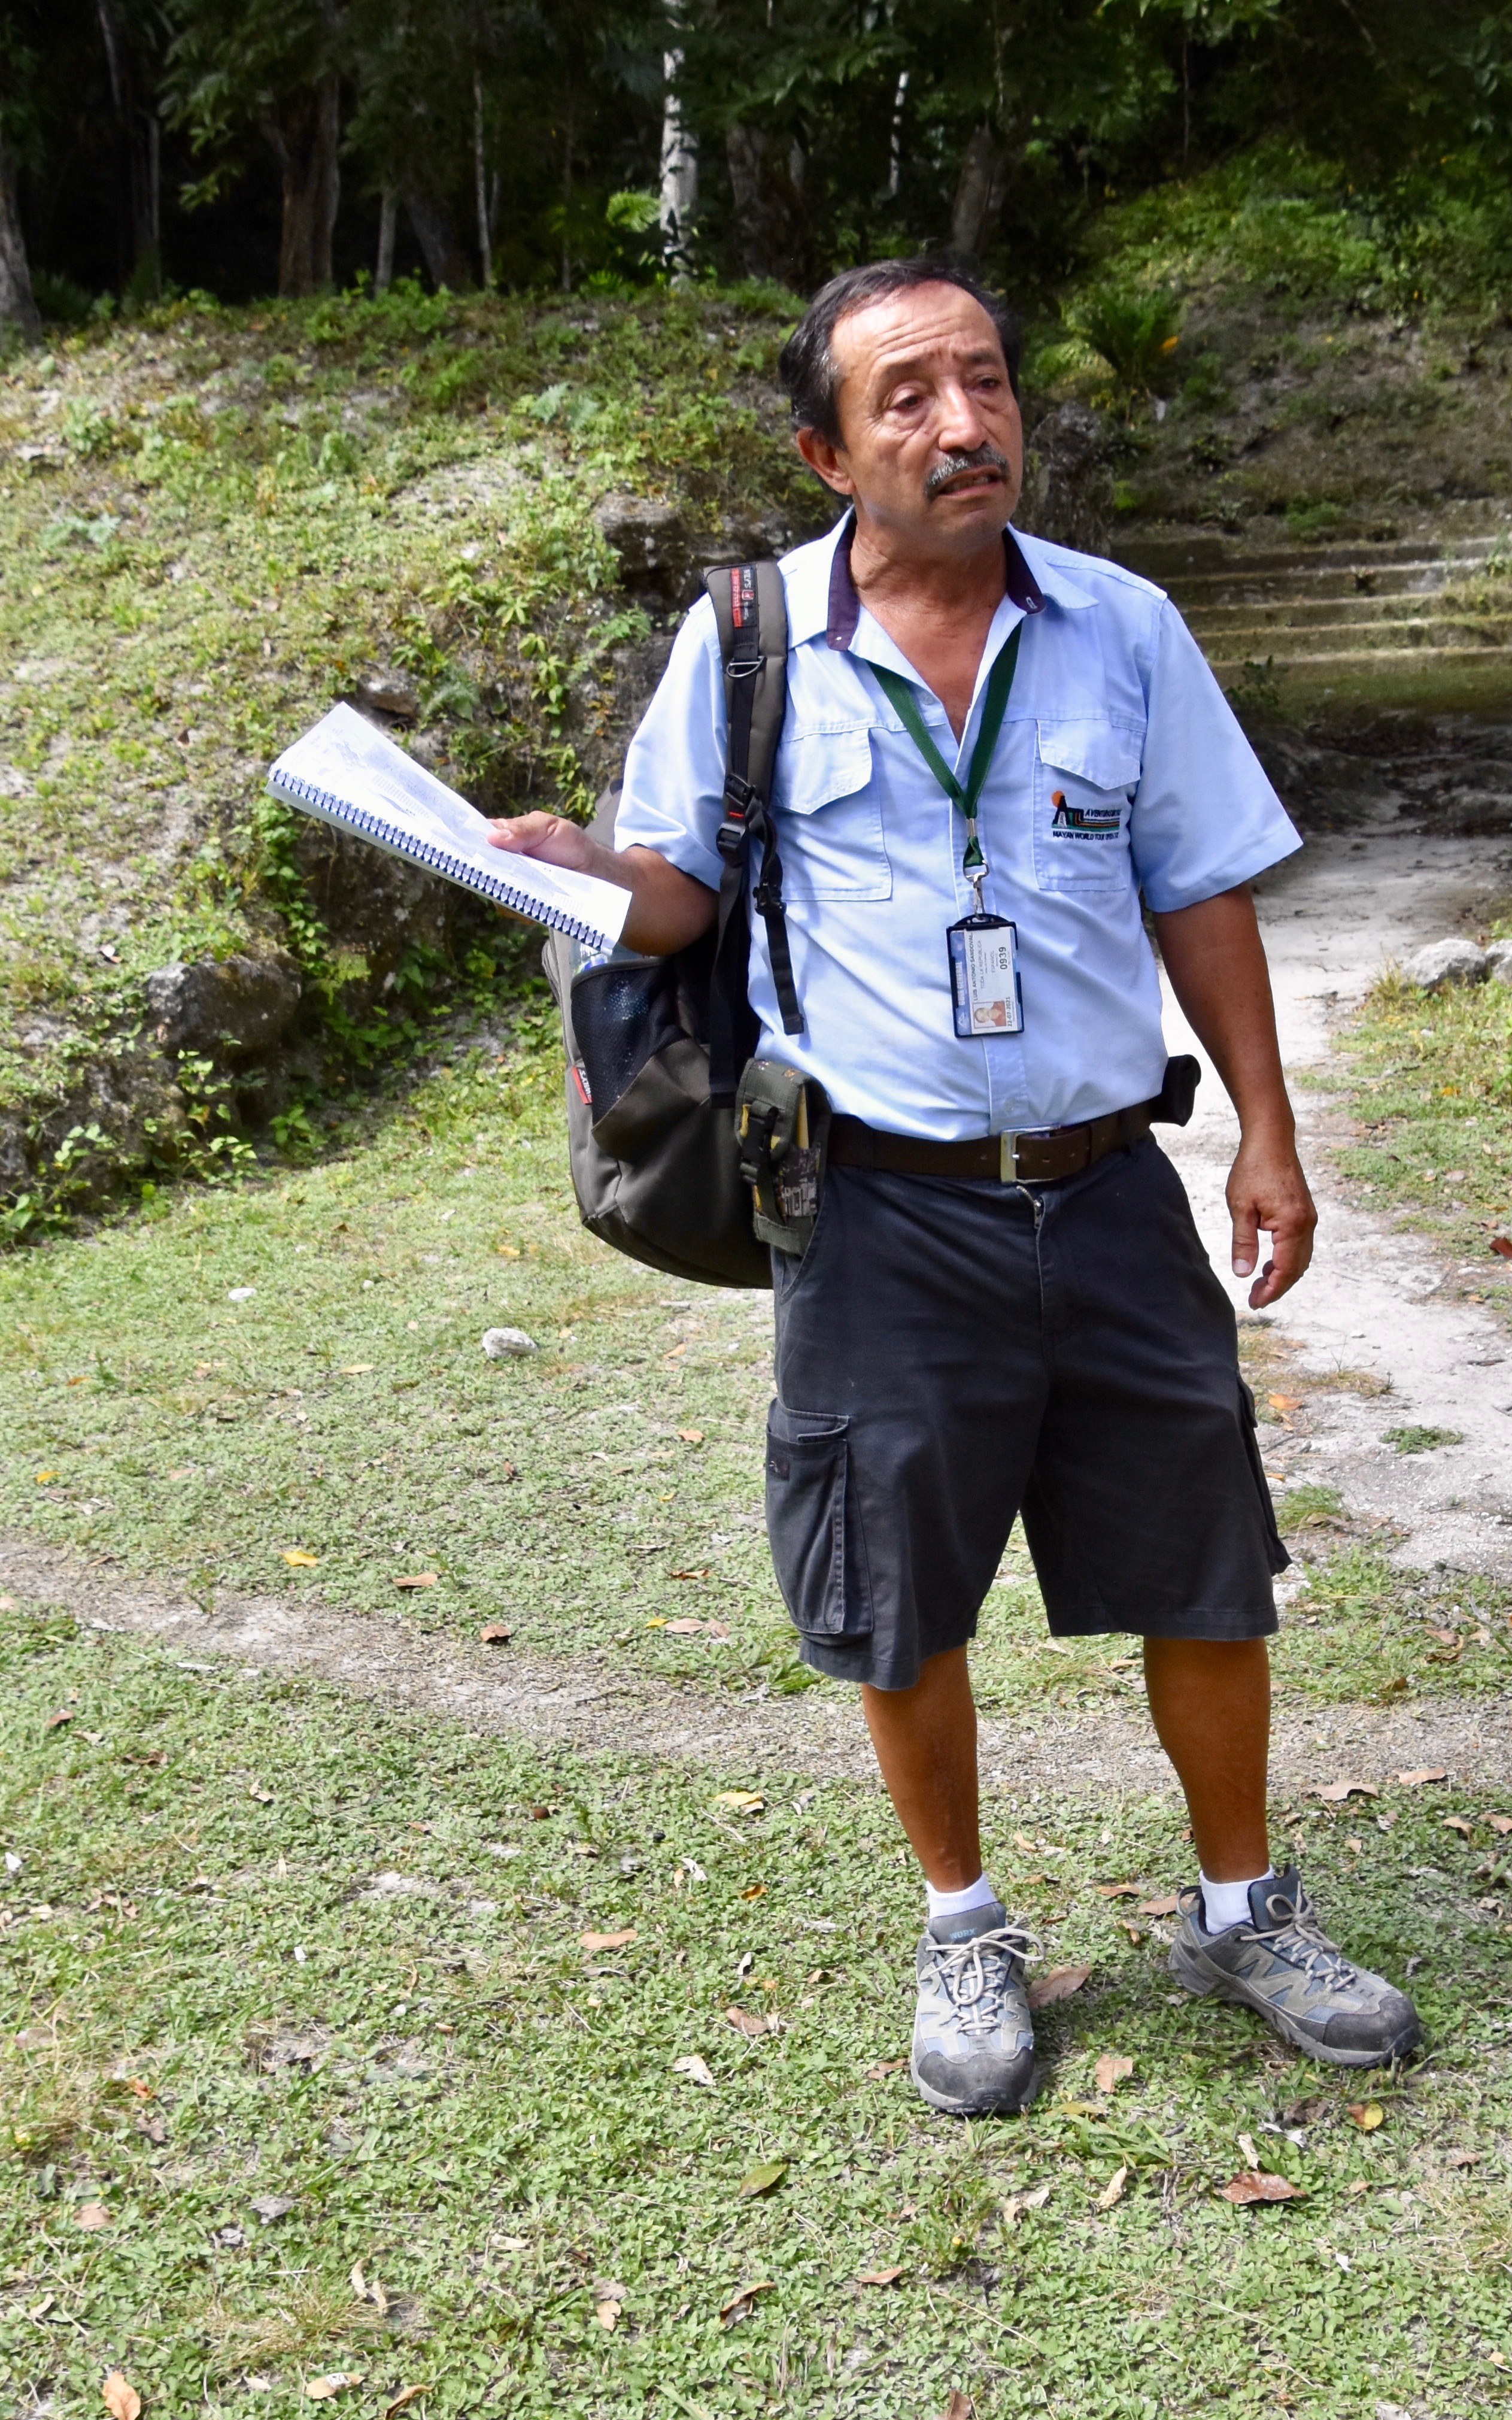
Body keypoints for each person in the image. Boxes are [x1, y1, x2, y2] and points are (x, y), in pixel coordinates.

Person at [489, 258, 1421, 2113]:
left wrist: (1270, 1125)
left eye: (983, 382)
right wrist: (582, 860)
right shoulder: (747, 640)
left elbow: (1201, 884)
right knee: (895, 1585)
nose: (962, 423)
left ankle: (1244, 1907)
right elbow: (679, 889)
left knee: (1207, 1562)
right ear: (827, 447)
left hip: (1108, 1189)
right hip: (875, 1207)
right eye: (906, 396)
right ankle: (964, 1924)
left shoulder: (1126, 628)